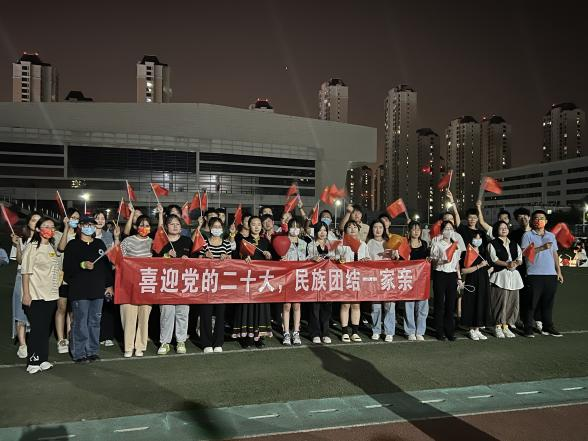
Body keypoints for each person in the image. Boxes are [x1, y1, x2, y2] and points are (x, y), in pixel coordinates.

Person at [63, 216, 114, 363]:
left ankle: (92, 351)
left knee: (94, 322)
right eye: (86, 224)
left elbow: (105, 267)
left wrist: (109, 285)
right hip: (80, 291)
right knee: (80, 322)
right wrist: (82, 265)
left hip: (97, 290)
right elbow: (67, 268)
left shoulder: (99, 243)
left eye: (91, 224)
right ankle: (79, 353)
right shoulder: (73, 245)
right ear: (79, 226)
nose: (89, 227)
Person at [20, 217, 61, 374]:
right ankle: (33, 360)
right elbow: (26, 272)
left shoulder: (51, 246)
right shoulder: (32, 247)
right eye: (45, 226)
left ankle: (43, 359)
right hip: (35, 295)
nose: (49, 229)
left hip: (50, 295)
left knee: (45, 329)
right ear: (38, 229)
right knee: (37, 328)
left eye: (52, 226)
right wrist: (26, 294)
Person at [154, 214, 193, 355]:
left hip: (184, 283)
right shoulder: (161, 241)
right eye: (171, 224)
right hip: (166, 283)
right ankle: (165, 342)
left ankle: (181, 340)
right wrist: (166, 256)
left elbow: (197, 260)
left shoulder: (187, 241)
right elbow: (153, 261)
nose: (175, 226)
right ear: (166, 227)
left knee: (183, 312)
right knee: (166, 313)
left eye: (177, 224)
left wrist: (188, 259)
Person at [232, 216, 273, 348]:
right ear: (249, 226)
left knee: (260, 307)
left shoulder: (266, 242)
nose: (256, 227)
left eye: (259, 224)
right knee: (247, 307)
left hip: (262, 280)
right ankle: (247, 338)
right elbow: (236, 256)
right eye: (253, 224)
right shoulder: (244, 241)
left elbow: (274, 260)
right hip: (248, 280)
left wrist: (269, 255)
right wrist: (244, 257)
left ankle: (258, 337)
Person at [521, 210, 563, 338]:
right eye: (536, 218)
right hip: (534, 274)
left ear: (546, 221)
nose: (539, 220)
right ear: (532, 221)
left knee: (548, 303)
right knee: (531, 303)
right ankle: (528, 328)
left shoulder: (551, 235)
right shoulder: (528, 235)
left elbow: (555, 254)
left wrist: (558, 271)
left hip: (550, 274)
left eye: (542, 218)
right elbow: (524, 253)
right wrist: (542, 248)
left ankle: (548, 327)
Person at [197, 217, 235, 353]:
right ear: (210, 228)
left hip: (221, 284)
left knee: (220, 313)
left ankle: (218, 342)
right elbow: (198, 262)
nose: (217, 229)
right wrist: (205, 256)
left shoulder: (226, 244)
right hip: (206, 282)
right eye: (215, 226)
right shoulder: (204, 243)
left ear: (222, 229)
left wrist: (226, 258)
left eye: (219, 227)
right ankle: (206, 342)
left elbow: (231, 263)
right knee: (206, 312)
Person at [120, 215, 153, 357]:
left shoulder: (153, 242)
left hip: (147, 284)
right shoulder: (127, 241)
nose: (144, 228)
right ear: (136, 227)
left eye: (147, 225)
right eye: (141, 225)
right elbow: (119, 260)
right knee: (128, 316)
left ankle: (140, 346)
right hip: (128, 285)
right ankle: (128, 347)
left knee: (144, 317)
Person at [10, 211, 41, 358]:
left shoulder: (46, 240)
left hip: (39, 279)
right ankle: (23, 345)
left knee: (37, 313)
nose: (36, 223)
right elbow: (20, 261)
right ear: (28, 223)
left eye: (39, 221)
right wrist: (17, 245)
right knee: (20, 311)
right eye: (33, 220)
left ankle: (35, 342)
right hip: (22, 277)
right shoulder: (22, 239)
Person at [430, 220, 465, 341]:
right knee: (439, 303)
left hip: (452, 275)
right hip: (440, 274)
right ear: (441, 231)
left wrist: (459, 277)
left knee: (451, 304)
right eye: (446, 229)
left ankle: (450, 331)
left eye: (451, 229)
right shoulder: (437, 244)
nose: (448, 231)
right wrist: (442, 261)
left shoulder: (456, 245)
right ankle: (439, 331)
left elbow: (457, 264)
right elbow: (433, 261)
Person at [487, 221, 523, 339]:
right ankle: (497, 326)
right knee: (499, 302)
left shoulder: (514, 244)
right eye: (501, 228)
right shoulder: (492, 244)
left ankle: (506, 326)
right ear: (496, 230)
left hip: (514, 277)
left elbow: (520, 258)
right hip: (500, 276)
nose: (504, 229)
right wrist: (507, 264)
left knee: (512, 302)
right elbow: (494, 259)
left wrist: (516, 263)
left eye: (505, 227)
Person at [337, 220, 370, 342]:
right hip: (345, 277)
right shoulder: (341, 244)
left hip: (358, 278)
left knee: (356, 304)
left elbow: (368, 259)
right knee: (345, 304)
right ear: (345, 230)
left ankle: (355, 332)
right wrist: (339, 258)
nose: (352, 229)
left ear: (358, 229)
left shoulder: (363, 244)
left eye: (355, 227)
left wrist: (366, 259)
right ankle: (344, 331)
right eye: (349, 227)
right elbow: (335, 257)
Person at [55, 207, 80, 355]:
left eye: (77, 218)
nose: (75, 220)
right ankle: (61, 339)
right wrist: (66, 228)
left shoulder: (80, 236)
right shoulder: (57, 234)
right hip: (62, 278)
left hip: (76, 279)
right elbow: (61, 248)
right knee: (62, 308)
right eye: (73, 217)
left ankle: (71, 336)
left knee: (73, 310)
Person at [306, 221, 336, 344]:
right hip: (315, 278)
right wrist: (312, 258)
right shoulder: (311, 244)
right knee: (315, 307)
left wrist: (334, 258)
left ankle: (326, 332)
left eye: (324, 230)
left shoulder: (331, 244)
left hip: (328, 279)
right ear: (316, 232)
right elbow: (306, 258)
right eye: (320, 230)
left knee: (327, 307)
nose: (322, 233)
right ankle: (315, 333)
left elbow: (337, 257)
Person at [366, 219, 395, 342]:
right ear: (371, 229)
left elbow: (395, 259)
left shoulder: (389, 242)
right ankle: (376, 330)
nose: (378, 230)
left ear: (384, 229)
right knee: (376, 306)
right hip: (375, 278)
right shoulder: (369, 243)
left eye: (380, 227)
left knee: (389, 305)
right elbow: (366, 258)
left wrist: (395, 255)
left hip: (388, 276)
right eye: (375, 227)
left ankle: (389, 331)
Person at [281, 218, 307, 346]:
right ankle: (286, 332)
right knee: (287, 305)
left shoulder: (304, 243)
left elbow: (307, 259)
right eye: (293, 226)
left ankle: (296, 332)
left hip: (300, 277)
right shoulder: (283, 241)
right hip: (287, 277)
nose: (295, 229)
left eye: (297, 226)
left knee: (297, 305)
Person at [460, 232, 490, 341]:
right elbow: (463, 270)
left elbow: (490, 267)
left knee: (481, 303)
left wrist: (488, 268)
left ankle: (477, 328)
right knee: (471, 303)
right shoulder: (467, 253)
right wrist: (479, 266)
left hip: (483, 281)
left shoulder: (484, 253)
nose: (477, 240)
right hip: (472, 281)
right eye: (475, 238)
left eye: (479, 238)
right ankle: (471, 329)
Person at [94, 210, 118, 347]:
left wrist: (116, 238)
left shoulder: (108, 235)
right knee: (93, 306)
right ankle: (94, 335)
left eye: (102, 218)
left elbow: (114, 253)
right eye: (97, 218)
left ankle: (107, 335)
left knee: (107, 304)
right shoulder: (86, 234)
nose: (100, 220)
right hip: (91, 275)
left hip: (106, 273)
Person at [403, 221, 430, 341]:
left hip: (422, 279)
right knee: (409, 306)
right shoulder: (404, 244)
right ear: (409, 231)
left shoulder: (424, 244)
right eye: (413, 229)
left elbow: (427, 259)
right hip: (408, 279)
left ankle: (420, 331)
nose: (416, 232)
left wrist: (428, 259)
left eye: (418, 229)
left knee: (422, 306)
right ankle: (410, 331)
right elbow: (400, 261)